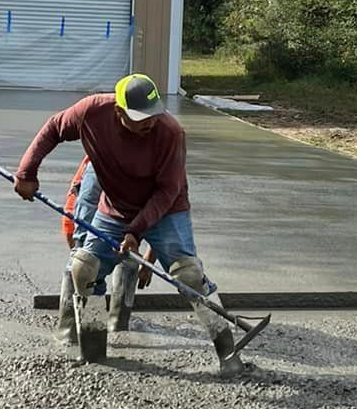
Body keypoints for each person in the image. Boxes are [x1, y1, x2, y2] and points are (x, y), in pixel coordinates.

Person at [14, 74, 240, 372]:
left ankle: (229, 355)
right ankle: (94, 352)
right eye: (140, 118)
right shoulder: (92, 112)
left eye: (153, 115)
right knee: (85, 267)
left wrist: (137, 233)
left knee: (189, 275)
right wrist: (27, 172)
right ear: (119, 112)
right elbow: (54, 128)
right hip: (116, 209)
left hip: (167, 210)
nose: (150, 123)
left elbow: (167, 191)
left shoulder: (170, 132)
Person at [57, 157, 153, 341]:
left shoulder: (153, 164)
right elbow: (75, 234)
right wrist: (84, 267)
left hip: (129, 212)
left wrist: (148, 261)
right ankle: (70, 330)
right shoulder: (96, 170)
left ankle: (118, 324)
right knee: (82, 261)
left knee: (129, 256)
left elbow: (163, 219)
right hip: (88, 209)